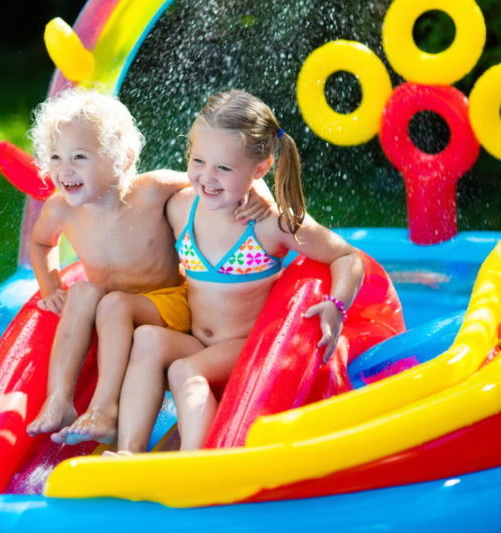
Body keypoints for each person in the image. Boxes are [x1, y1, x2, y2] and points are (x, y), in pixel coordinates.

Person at [109, 89, 364, 455]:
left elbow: (347, 256)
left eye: (224, 168)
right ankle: (129, 453)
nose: (207, 178)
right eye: (198, 160)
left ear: (260, 169)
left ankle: (191, 465)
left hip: (246, 350)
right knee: (147, 339)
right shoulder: (181, 207)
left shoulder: (271, 224)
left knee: (184, 371)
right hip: (198, 341)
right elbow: (126, 201)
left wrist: (336, 306)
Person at [23, 88, 274, 445]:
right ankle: (59, 399)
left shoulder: (152, 191)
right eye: (56, 157)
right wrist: (50, 289)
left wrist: (259, 190)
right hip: (115, 312)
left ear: (122, 157)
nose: (65, 170)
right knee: (81, 293)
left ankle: (105, 408)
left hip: (171, 305)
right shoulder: (60, 209)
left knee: (112, 303)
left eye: (80, 157)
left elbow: (215, 178)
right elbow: (40, 242)